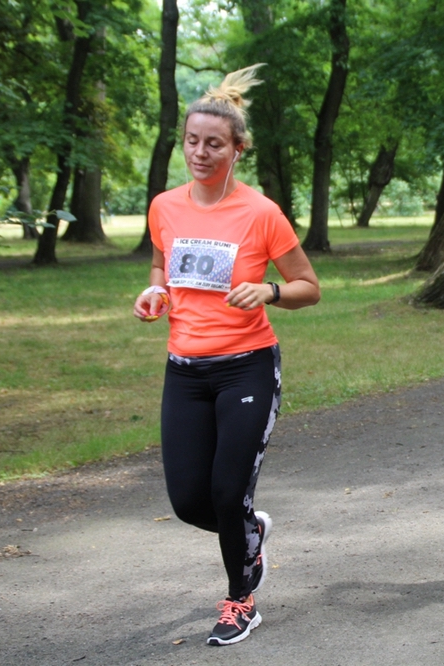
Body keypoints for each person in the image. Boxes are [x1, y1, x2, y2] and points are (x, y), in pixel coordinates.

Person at [132, 64, 321, 646]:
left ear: (238, 148)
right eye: (192, 141)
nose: (200, 152)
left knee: (225, 491)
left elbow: (309, 287)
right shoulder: (165, 206)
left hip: (247, 367)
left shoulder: (261, 213)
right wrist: (155, 292)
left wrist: (268, 291)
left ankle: (241, 600)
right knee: (190, 501)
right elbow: (161, 266)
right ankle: (249, 530)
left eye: (214, 144)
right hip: (185, 371)